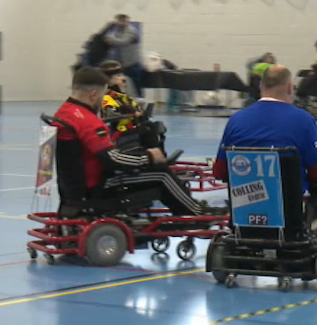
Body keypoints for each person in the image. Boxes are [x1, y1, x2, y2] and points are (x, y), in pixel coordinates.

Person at [213, 65, 317, 236]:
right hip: (291, 216)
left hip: (244, 214)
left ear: (261, 87)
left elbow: (219, 171)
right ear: (290, 88)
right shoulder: (303, 119)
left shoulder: (236, 120)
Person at [53, 67, 218, 216]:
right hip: (98, 187)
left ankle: (189, 207)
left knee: (151, 167)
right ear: (93, 94)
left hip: (74, 189)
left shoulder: (64, 113)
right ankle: (198, 213)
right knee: (162, 174)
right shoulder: (87, 121)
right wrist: (149, 157)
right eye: (103, 95)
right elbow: (112, 159)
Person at [103, 14, 143, 97]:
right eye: (119, 21)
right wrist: (109, 37)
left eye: (122, 21)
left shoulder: (131, 30)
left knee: (136, 86)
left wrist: (111, 40)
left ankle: (140, 103)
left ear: (126, 21)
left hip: (133, 63)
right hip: (124, 63)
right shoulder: (118, 30)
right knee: (125, 85)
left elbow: (124, 41)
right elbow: (111, 36)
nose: (120, 23)